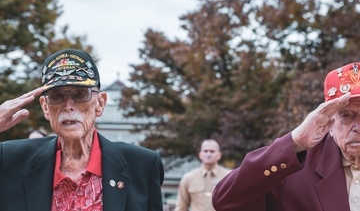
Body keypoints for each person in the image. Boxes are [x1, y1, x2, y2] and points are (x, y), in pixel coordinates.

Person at [0, 48, 164, 211]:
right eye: (57, 96)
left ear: (100, 103)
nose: (69, 106)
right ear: (45, 107)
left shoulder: (143, 165)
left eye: (80, 94)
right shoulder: (9, 159)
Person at [212, 62, 360, 211]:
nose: (358, 127)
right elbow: (224, 202)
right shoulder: (295, 165)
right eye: (346, 115)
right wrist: (295, 142)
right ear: (330, 121)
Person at [175, 139, 231, 211]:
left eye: (212, 151)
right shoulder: (188, 178)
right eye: (205, 151)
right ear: (200, 155)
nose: (208, 154)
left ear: (219, 155)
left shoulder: (228, 177)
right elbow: (181, 207)